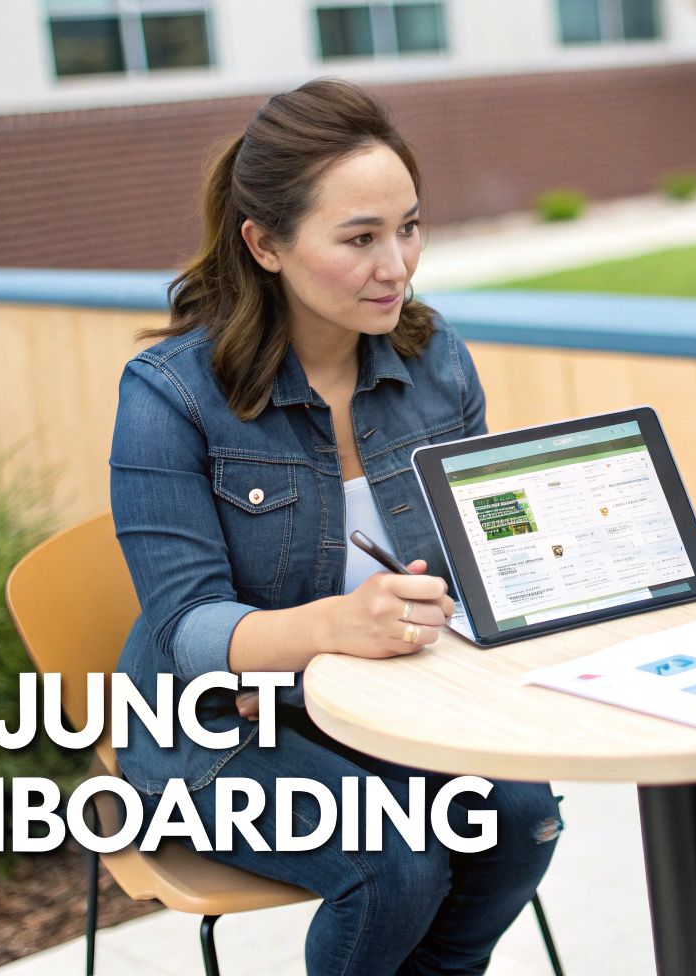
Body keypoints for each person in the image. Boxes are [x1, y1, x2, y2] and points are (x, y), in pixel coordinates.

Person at [109, 77, 561, 976]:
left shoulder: (434, 361)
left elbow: (472, 560)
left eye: (409, 227)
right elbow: (187, 628)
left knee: (521, 819)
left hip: (380, 704)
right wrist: (324, 638)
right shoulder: (169, 395)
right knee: (392, 861)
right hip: (212, 727)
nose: (396, 264)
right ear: (265, 245)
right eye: (359, 239)